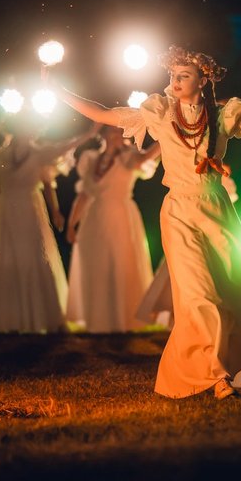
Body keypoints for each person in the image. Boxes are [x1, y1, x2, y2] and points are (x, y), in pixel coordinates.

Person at [55, 45, 241, 400]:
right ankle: (215, 377)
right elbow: (105, 113)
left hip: (217, 210)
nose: (175, 80)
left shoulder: (222, 116)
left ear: (203, 81)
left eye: (184, 75)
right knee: (201, 296)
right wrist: (61, 93)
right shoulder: (158, 112)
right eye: (173, 75)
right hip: (179, 212)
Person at [0, 109, 99, 333]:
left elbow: (61, 154)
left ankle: (36, 316)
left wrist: (89, 135)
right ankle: (6, 318)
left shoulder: (39, 154)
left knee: (32, 258)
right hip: (5, 212)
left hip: (30, 211)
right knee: (4, 259)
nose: (26, 131)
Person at [66, 125, 161, 333]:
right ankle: (99, 321)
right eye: (113, 132)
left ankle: (123, 319)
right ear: (105, 135)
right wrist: (72, 224)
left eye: (120, 133)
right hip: (94, 218)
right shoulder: (91, 160)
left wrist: (165, 135)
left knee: (120, 263)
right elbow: (84, 195)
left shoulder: (129, 157)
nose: (117, 136)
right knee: (97, 265)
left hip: (121, 214)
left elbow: (146, 158)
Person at [135, 164, 238, 331]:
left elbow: (225, 203)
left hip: (209, 228)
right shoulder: (186, 172)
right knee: (178, 271)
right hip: (183, 216)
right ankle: (177, 318)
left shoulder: (220, 183)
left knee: (206, 275)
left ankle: (205, 319)